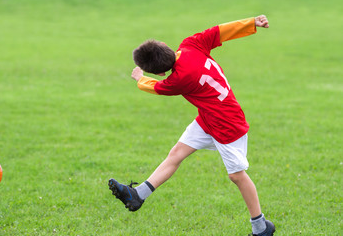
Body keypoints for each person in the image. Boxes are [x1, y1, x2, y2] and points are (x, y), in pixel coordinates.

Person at [108, 15, 275, 236]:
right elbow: (220, 31)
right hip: (208, 117)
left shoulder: (177, 80)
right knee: (176, 154)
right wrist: (252, 22)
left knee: (236, 175)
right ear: (165, 45)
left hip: (227, 123)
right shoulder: (191, 44)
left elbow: (155, 88)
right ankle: (138, 195)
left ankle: (260, 227)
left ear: (159, 72)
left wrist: (139, 78)